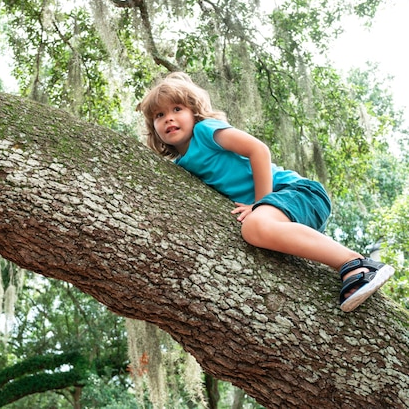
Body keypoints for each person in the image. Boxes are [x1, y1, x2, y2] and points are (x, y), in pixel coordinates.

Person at [137, 71, 394, 312]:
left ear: (194, 113)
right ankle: (349, 273)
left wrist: (260, 204)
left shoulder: (206, 131)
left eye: (177, 109)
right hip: (282, 216)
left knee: (253, 228)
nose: (168, 118)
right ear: (154, 129)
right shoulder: (179, 167)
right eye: (159, 115)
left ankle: (358, 265)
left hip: (297, 192)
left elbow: (258, 150)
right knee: (260, 232)